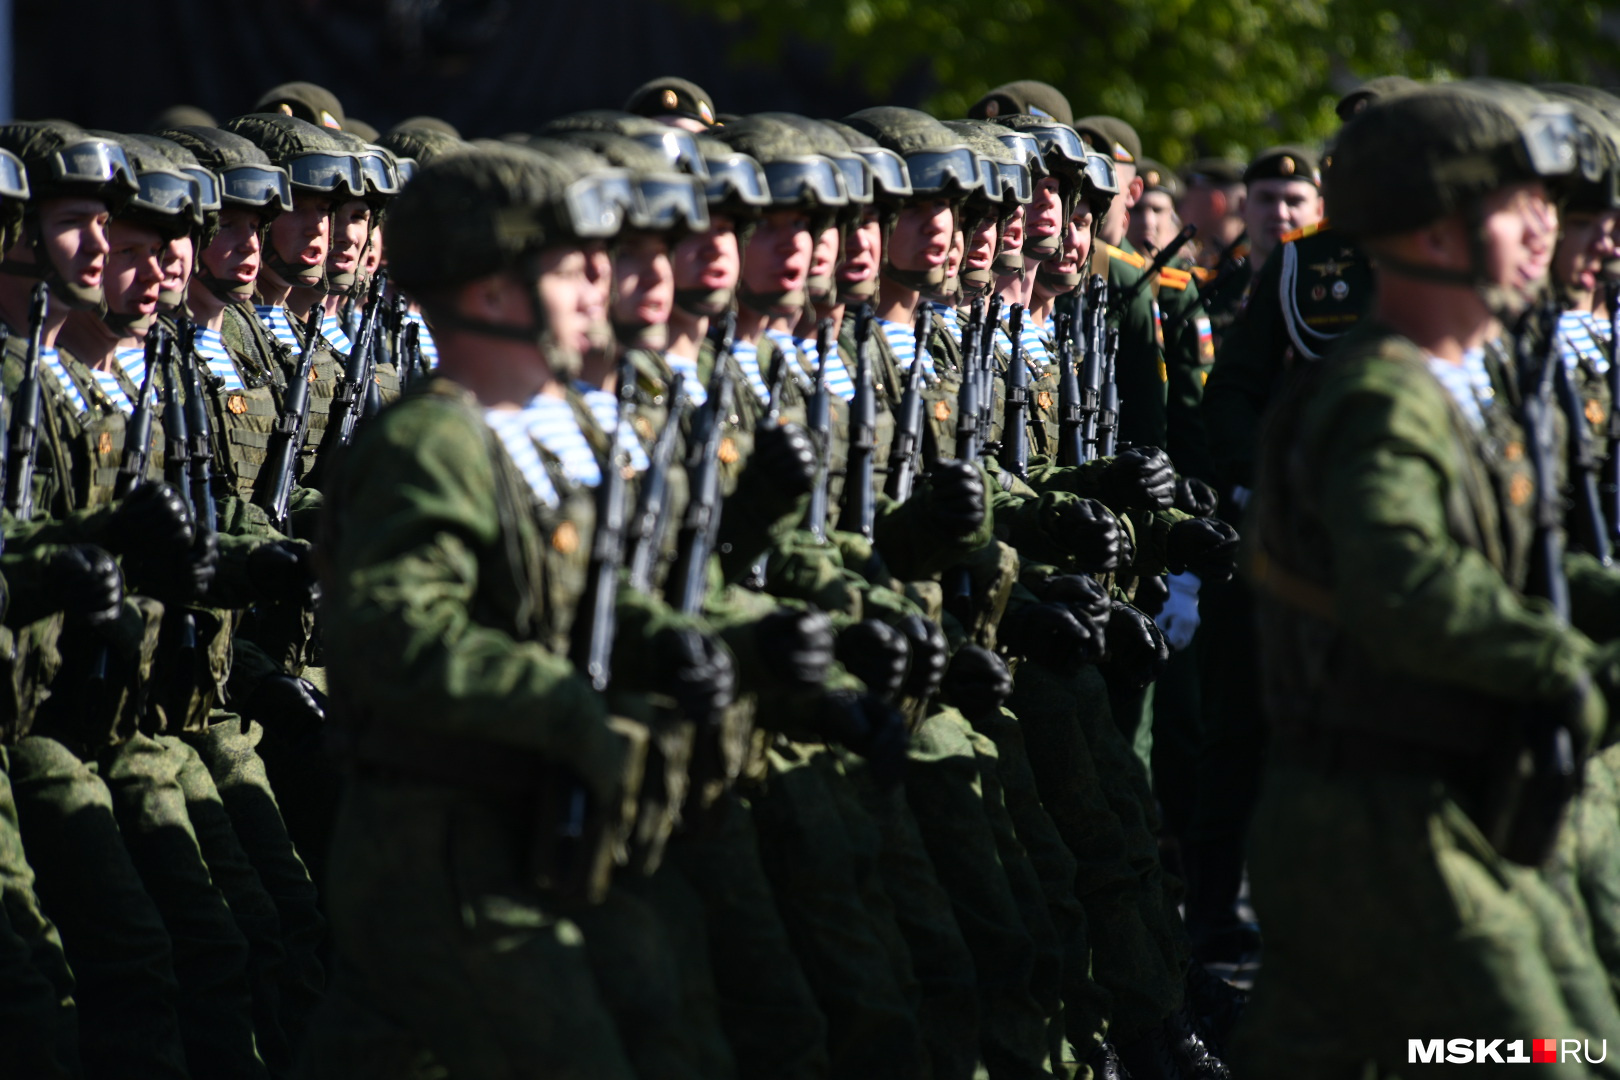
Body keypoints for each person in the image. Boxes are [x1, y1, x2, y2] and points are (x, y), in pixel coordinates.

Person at [1236, 82, 1620, 1077]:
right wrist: (1565, 664)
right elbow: (1406, 583)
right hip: (1381, 813)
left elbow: (1502, 564)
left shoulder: (1458, 377)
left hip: (1436, 797)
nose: (1549, 229)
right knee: (1544, 1053)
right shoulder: (1382, 393)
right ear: (1439, 236)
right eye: (1519, 204)